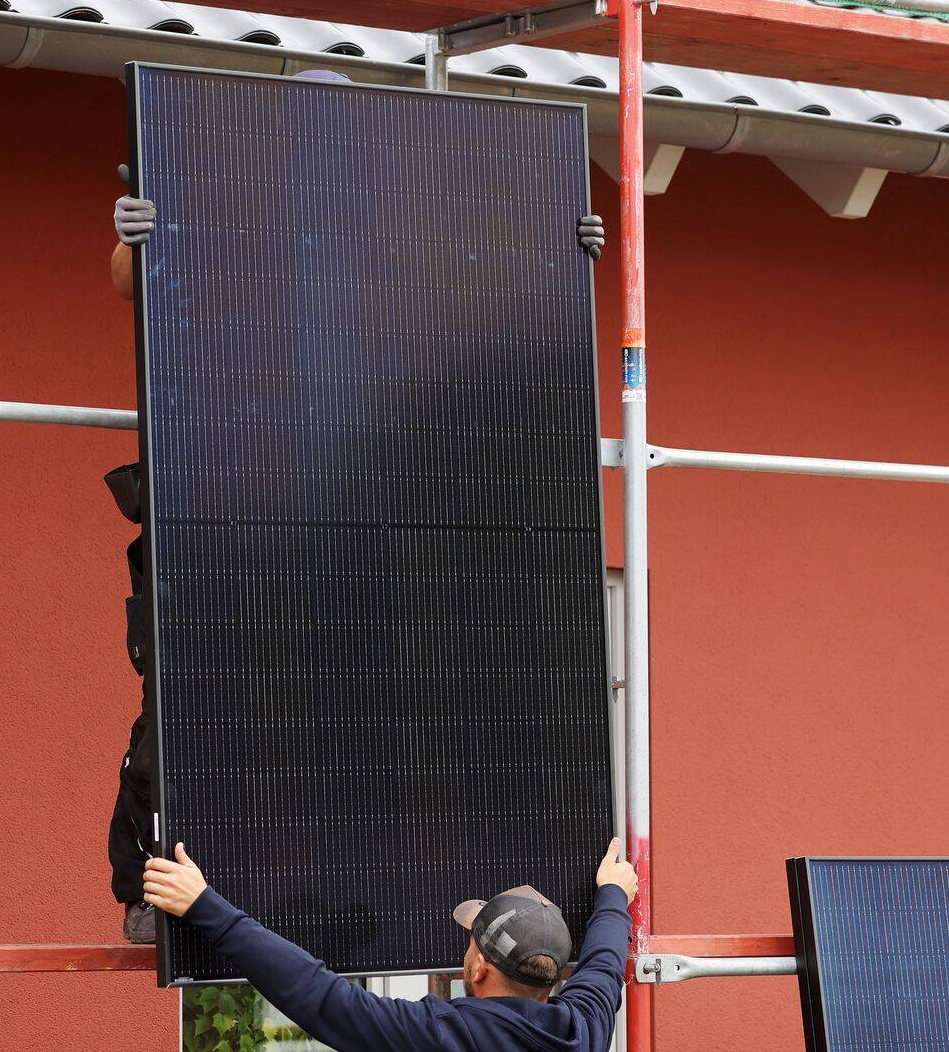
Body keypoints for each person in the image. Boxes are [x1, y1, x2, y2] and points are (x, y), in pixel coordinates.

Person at [104, 67, 607, 943]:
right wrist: (132, 241)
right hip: (227, 506)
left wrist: (564, 248)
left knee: (364, 706)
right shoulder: (226, 226)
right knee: (191, 708)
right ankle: (158, 890)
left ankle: (370, 900)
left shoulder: (401, 248)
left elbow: (496, 307)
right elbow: (143, 287)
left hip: (361, 513)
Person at [143, 839, 637, 1052]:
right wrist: (613, 896)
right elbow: (605, 965)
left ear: (480, 969)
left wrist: (204, 906)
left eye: (470, 943)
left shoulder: (437, 1036)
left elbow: (314, 992)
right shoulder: (583, 1032)